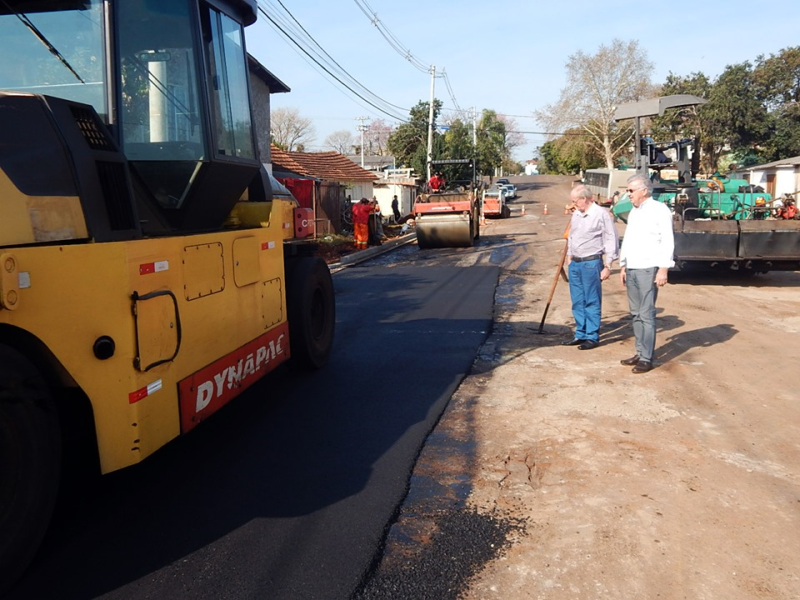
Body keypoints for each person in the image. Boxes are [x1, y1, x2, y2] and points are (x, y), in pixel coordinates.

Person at [618, 174, 675, 373]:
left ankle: (646, 358)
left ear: (644, 190)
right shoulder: (634, 212)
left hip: (648, 268)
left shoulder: (659, 210)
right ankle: (640, 351)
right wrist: (624, 264)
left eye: (631, 191)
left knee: (646, 314)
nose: (628, 194)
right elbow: (629, 240)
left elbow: (667, 240)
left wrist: (663, 268)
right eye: (627, 190)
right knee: (635, 314)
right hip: (633, 267)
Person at [561, 185, 619, 350]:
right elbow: (572, 236)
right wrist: (570, 256)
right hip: (576, 263)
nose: (573, 204)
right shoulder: (577, 214)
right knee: (577, 300)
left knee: (591, 300)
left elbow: (610, 239)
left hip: (591, 263)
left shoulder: (601, 214)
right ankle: (581, 333)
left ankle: (592, 336)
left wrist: (608, 265)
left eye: (574, 201)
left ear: (584, 199)